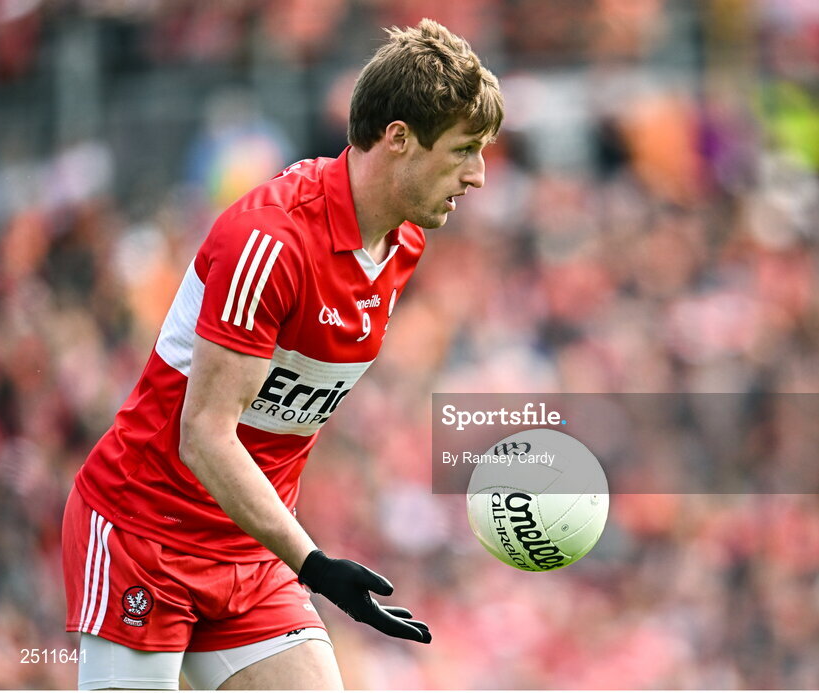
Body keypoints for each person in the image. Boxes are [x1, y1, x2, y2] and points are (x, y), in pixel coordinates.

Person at [61, 18, 503, 691]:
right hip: (143, 536)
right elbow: (205, 436)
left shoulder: (403, 246)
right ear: (398, 139)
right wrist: (315, 562)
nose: (477, 175)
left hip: (251, 552)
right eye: (464, 150)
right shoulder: (268, 242)